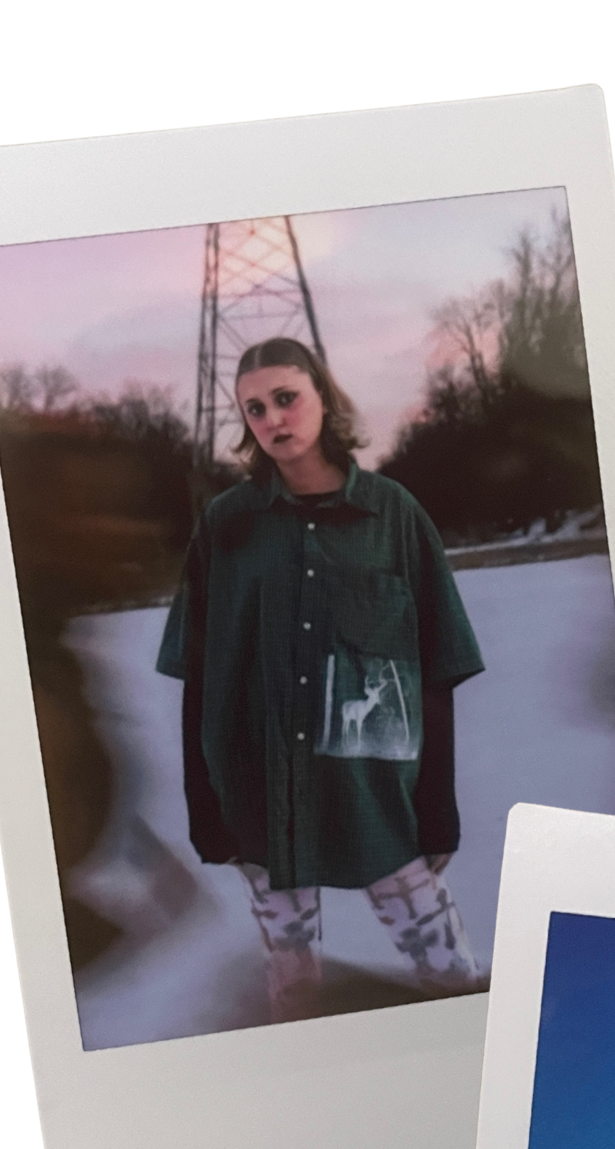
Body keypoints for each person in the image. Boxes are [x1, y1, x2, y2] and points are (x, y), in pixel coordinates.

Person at [156, 337, 486, 1019]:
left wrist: (437, 810)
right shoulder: (225, 526)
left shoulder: (393, 516)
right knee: (294, 992)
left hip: (376, 797)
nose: (273, 419)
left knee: (448, 974)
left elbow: (435, 672)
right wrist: (202, 802)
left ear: (323, 399)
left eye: (286, 398)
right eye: (253, 409)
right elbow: (197, 674)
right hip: (259, 796)